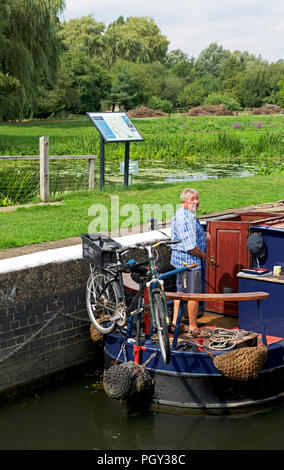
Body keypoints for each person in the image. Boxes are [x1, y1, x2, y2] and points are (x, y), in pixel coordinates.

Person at [170, 188, 207, 337]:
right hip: (190, 263)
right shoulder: (187, 218)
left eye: (197, 198)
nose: (196, 202)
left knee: (180, 293)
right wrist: (202, 255)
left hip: (180, 261)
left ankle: (175, 323)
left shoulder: (183, 213)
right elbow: (191, 247)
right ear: (184, 201)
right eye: (192, 199)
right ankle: (192, 327)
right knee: (193, 295)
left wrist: (203, 236)